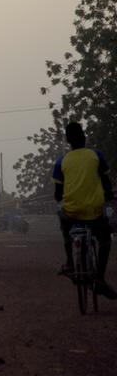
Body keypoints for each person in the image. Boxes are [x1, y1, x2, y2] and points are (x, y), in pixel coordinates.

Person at [53, 122, 116, 299]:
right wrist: (109, 194)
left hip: (72, 213)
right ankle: (100, 279)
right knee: (104, 239)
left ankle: (71, 263)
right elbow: (106, 182)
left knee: (65, 228)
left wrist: (62, 196)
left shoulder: (61, 161)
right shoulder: (97, 155)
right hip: (94, 212)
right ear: (84, 136)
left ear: (68, 141)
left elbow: (58, 194)